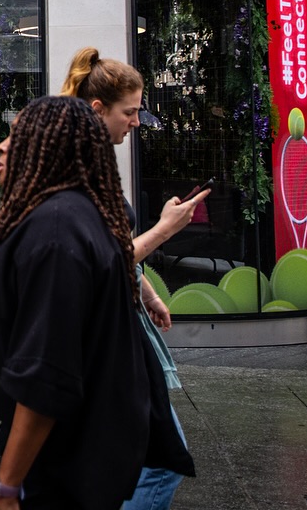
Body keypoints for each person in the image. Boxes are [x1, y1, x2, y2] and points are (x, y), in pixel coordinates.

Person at [0, 97, 193, 509]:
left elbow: (46, 375)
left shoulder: (57, 230)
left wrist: (7, 487)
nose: (1, 146)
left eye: (16, 136)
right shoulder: (65, 217)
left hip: (58, 466)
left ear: (51, 148)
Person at [60, 47, 210, 510]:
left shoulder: (94, 160)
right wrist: (166, 230)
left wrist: (147, 295)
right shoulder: (77, 167)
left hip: (118, 324)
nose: (138, 121)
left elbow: (116, 242)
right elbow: (105, 255)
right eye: (131, 111)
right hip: (107, 333)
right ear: (98, 109)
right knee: (162, 460)